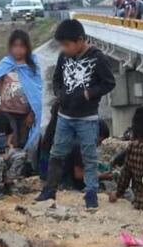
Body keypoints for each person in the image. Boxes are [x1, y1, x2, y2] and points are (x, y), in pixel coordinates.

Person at [35, 19, 116, 209]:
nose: (64, 49)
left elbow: (109, 83)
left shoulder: (97, 58)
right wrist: (59, 93)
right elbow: (56, 80)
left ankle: (91, 194)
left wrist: (88, 94)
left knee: (89, 155)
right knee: (57, 152)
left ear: (80, 40)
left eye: (67, 44)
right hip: (65, 116)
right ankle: (49, 190)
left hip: (87, 117)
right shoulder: (63, 57)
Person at [0, 29, 43, 149]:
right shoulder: (5, 64)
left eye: (22, 46)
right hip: (6, 111)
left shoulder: (32, 66)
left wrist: (32, 113)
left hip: (25, 113)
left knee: (25, 142)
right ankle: (13, 164)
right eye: (15, 46)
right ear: (10, 47)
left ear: (27, 47)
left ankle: (24, 165)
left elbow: (37, 92)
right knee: (12, 141)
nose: (18, 50)